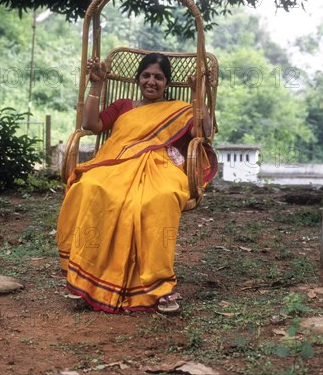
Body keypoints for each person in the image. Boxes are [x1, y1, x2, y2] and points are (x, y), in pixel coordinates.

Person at [57, 53, 217, 314]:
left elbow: (204, 133)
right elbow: (91, 124)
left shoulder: (180, 110)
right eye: (147, 75)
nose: (151, 81)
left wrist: (198, 95)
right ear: (138, 78)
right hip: (117, 165)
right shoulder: (124, 106)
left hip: (161, 167)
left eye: (158, 77)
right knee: (88, 187)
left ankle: (160, 286)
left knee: (158, 199)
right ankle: (85, 277)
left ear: (167, 82)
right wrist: (96, 83)